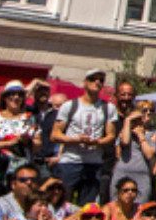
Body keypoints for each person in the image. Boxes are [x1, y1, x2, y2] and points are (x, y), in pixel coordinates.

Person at [50, 70, 116, 204]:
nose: (97, 82)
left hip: (94, 162)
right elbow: (55, 135)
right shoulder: (70, 106)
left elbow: (111, 135)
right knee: (62, 202)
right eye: (93, 79)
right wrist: (76, 139)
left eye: (101, 80)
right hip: (70, 161)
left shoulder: (108, 108)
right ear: (85, 82)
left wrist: (97, 142)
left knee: (87, 206)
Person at [110, 91, 156, 201]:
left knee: (140, 207)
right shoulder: (125, 131)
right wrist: (128, 121)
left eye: (151, 111)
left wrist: (141, 135)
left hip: (142, 174)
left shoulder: (153, 134)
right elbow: (125, 142)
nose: (148, 113)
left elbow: (149, 154)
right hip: (123, 171)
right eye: (144, 110)